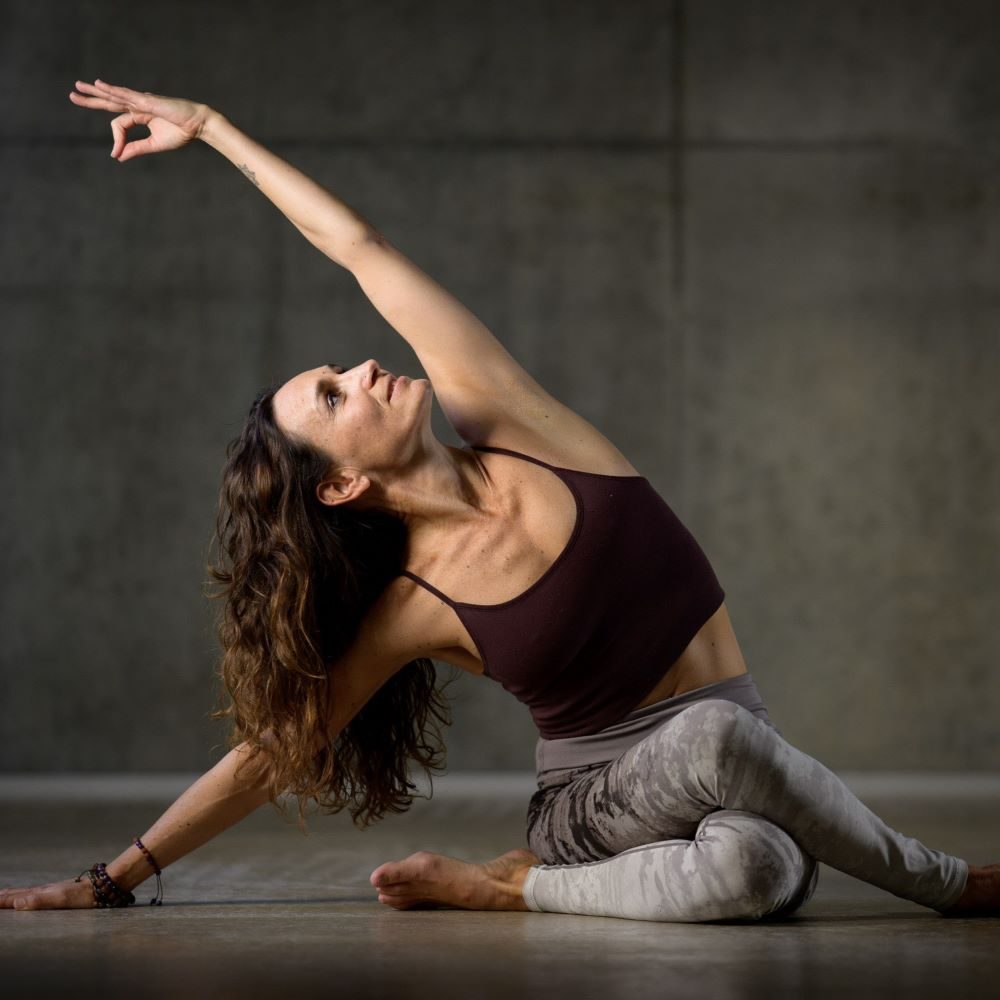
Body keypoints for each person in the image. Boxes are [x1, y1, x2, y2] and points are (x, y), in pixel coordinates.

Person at [1, 78, 996, 920]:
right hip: (596, 801)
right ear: (343, 483)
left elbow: (359, 247)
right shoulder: (416, 606)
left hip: (723, 766)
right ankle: (949, 886)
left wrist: (212, 126)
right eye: (335, 396)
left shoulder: (516, 421)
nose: (363, 364)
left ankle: (525, 892)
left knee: (762, 868)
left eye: (340, 366)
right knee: (727, 742)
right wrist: (115, 874)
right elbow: (271, 757)